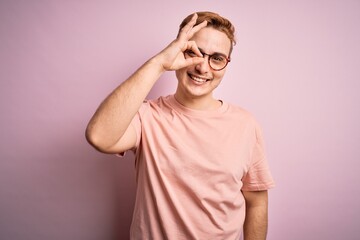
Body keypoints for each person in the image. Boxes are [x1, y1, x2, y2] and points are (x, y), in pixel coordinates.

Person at [86, 11, 275, 240]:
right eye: (193, 52)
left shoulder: (246, 124)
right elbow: (98, 136)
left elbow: (256, 202)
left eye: (216, 58)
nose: (202, 68)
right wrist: (159, 63)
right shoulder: (148, 116)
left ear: (226, 64)